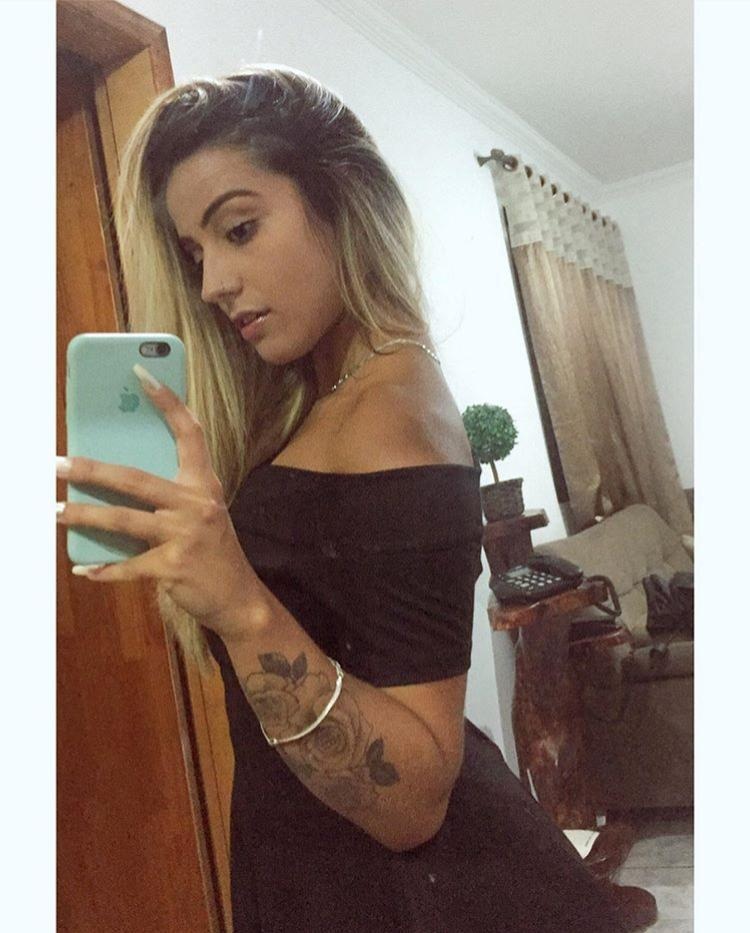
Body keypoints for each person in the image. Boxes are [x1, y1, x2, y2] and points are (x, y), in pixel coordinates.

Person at [57, 66, 652, 932]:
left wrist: (238, 603)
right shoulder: (336, 393)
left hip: (409, 893)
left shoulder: (391, 411)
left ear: (339, 200)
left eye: (239, 228)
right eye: (196, 254)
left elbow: (412, 800)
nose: (214, 282)